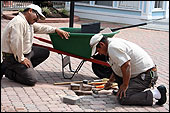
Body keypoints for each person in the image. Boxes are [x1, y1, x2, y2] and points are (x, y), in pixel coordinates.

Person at [1, 4, 70, 86]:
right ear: (30, 11)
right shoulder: (18, 22)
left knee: (44, 52)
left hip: (26, 53)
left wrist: (56, 29)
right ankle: (8, 71)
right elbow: (16, 43)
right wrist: (21, 59)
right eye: (37, 16)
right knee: (31, 80)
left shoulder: (28, 22)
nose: (37, 19)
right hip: (13, 56)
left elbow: (41, 28)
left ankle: (20, 68)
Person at [89, 33, 167, 106]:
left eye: (98, 51)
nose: (99, 53)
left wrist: (125, 85)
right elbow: (117, 67)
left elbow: (126, 65)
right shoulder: (110, 44)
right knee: (121, 87)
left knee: (124, 98)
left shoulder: (113, 47)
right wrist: (110, 82)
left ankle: (157, 93)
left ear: (102, 44)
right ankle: (129, 91)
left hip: (146, 75)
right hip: (139, 74)